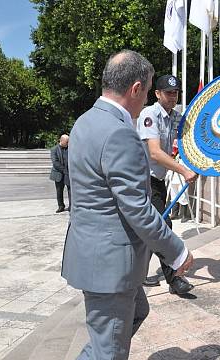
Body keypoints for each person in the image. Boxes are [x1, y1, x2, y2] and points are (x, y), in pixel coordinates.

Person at [61, 49, 194, 360]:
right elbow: (138, 209)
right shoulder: (120, 133)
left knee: (132, 316)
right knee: (108, 352)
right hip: (110, 265)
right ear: (136, 89)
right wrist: (176, 251)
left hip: (96, 255)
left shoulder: (85, 121)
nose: (146, 98)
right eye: (147, 91)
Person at [136, 74, 198, 294]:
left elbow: (193, 138)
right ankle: (175, 280)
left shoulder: (176, 117)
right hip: (143, 181)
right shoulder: (149, 115)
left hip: (159, 181)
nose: (173, 97)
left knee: (146, 231)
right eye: (169, 93)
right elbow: (154, 153)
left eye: (176, 93)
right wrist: (184, 170)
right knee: (163, 227)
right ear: (157, 94)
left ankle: (137, 273)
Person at [49, 134, 70, 213]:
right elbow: (55, 162)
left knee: (70, 190)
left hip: (68, 173)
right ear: (61, 141)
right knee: (59, 191)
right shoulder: (54, 149)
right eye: (67, 141)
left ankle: (71, 206)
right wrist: (64, 170)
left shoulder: (69, 149)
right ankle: (61, 206)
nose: (68, 143)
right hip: (59, 173)